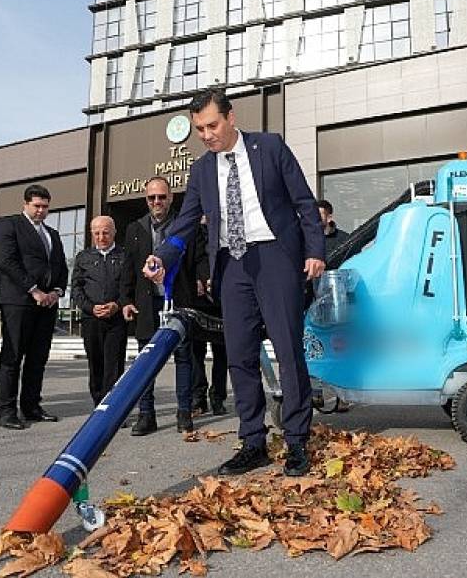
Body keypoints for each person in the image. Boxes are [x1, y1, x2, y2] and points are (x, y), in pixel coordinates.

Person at [143, 89, 325, 477]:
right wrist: (163, 256)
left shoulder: (270, 148)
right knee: (240, 355)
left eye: (212, 125)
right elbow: (185, 225)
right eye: (199, 130)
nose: (206, 135)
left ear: (231, 117)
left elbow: (304, 203)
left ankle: (296, 441)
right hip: (232, 265)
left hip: (275, 255)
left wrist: (315, 251)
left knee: (287, 349)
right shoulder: (202, 171)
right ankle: (253, 441)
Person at [121, 177, 206, 435]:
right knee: (146, 362)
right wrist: (125, 300)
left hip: (179, 301)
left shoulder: (186, 226)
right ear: (146, 200)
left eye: (162, 197)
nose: (157, 202)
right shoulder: (135, 229)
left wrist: (204, 279)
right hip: (147, 305)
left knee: (183, 358)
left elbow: (201, 258)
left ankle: (184, 413)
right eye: (151, 198)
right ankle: (146, 415)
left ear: (170, 198)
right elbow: (129, 268)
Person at [0, 184, 68, 430]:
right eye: (36, 206)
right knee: (12, 356)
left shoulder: (52, 234)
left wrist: (56, 291)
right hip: (18, 301)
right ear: (25, 204)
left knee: (38, 358)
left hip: (46, 304)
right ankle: (6, 411)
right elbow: (8, 262)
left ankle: (31, 406)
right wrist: (34, 290)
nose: (41, 211)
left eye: (45, 207)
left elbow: (61, 266)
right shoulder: (9, 225)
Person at [71, 215, 128, 407]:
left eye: (105, 232)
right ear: (91, 234)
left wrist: (117, 305)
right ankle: (99, 405)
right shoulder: (83, 258)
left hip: (116, 321)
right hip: (91, 320)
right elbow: (76, 289)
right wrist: (90, 307)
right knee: (96, 365)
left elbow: (129, 287)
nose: (101, 237)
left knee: (114, 366)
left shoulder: (124, 256)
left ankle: (113, 406)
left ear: (114, 233)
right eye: (97, 233)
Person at [190, 217, 228, 416]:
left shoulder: (223, 228)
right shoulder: (190, 230)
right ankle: (199, 397)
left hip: (221, 301)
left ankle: (218, 397)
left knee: (221, 353)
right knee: (197, 353)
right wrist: (195, 280)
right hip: (198, 301)